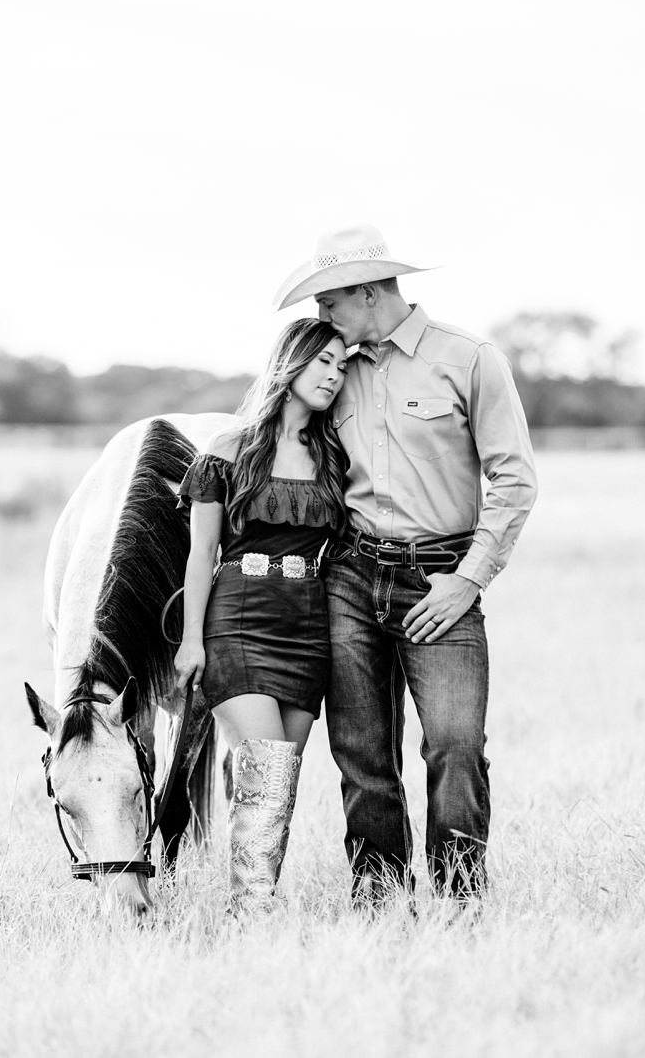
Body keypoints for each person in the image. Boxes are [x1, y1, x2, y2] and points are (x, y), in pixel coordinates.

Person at [272, 224, 537, 904]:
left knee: (453, 744)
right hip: (352, 576)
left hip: (441, 576)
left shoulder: (470, 359)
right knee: (362, 751)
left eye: (328, 303)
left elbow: (514, 481)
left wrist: (469, 579)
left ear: (367, 292)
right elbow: (280, 433)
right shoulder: (335, 371)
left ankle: (458, 900)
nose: (320, 318)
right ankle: (380, 898)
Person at [174, 317, 351, 910]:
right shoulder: (228, 451)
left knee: (278, 783)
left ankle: (251, 901)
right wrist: (191, 642)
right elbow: (201, 554)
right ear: (291, 363)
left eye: (342, 365)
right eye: (323, 361)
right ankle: (252, 916)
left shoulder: (333, 456)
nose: (334, 375)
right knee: (269, 768)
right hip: (238, 620)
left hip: (307, 626)